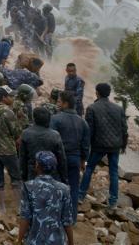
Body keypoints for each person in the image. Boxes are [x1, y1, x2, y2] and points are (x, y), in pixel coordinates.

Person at [79, 83, 127, 209]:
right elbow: (124, 129)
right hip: (114, 146)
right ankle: (113, 202)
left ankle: (80, 196)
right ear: (109, 93)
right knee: (114, 173)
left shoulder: (92, 108)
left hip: (98, 145)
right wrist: (123, 145)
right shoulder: (118, 109)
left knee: (89, 169)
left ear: (97, 93)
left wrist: (86, 148)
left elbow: (89, 131)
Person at [18, 151, 74, 245]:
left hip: (34, 241)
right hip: (58, 241)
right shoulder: (64, 189)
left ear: (38, 166)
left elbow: (25, 217)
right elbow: (67, 221)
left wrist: (19, 240)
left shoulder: (29, 187)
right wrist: (71, 243)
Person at [50, 90, 90, 222]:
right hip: (75, 159)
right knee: (73, 189)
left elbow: (51, 140)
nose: (58, 104)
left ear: (66, 104)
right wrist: (83, 160)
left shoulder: (56, 119)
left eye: (60, 102)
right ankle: (71, 219)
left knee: (56, 187)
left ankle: (55, 217)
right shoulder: (82, 122)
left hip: (58, 159)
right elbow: (85, 144)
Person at [0, 86, 21, 214]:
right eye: (10, 96)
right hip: (8, 150)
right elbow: (16, 132)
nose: (12, 98)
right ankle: (19, 207)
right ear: (3, 98)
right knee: (16, 177)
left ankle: (2, 207)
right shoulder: (9, 112)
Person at [19, 107, 67, 184]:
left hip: (33, 172)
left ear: (34, 118)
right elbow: (61, 159)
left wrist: (23, 176)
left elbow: (22, 157)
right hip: (51, 174)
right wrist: (64, 178)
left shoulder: (25, 133)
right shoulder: (55, 135)